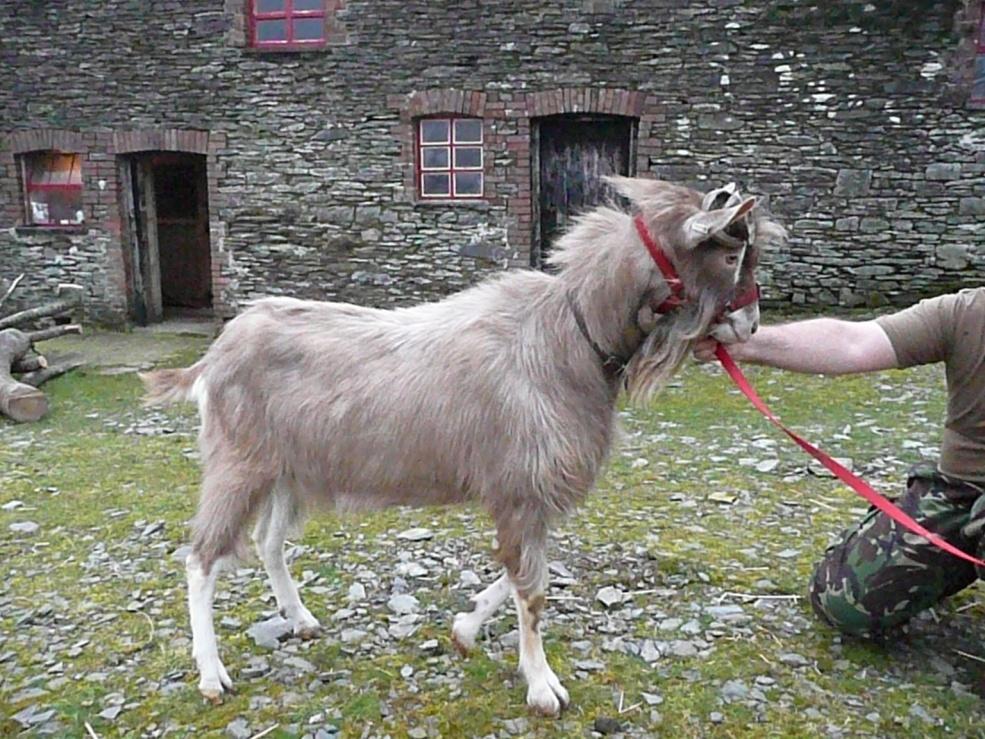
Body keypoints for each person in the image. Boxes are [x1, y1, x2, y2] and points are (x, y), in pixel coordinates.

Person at [694, 287, 985, 637]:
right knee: (844, 600)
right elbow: (853, 343)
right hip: (963, 491)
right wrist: (743, 343)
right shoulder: (968, 312)